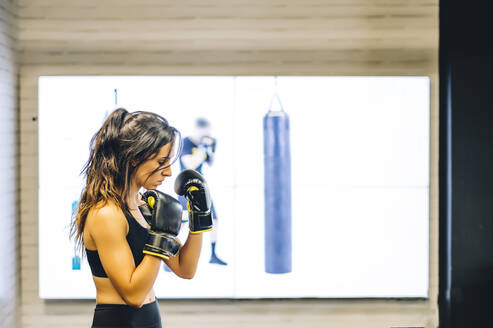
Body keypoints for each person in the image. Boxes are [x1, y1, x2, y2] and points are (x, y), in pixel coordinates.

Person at [70, 108, 213, 328]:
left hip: (149, 319)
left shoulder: (143, 206)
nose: (168, 173)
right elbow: (133, 295)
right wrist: (160, 233)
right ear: (134, 158)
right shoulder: (106, 214)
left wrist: (199, 218)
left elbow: (185, 269)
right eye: (160, 162)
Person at [178, 118, 227, 265]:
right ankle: (170, 255)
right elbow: (190, 164)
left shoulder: (209, 142)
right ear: (196, 130)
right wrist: (203, 148)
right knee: (181, 223)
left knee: (214, 219)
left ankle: (213, 254)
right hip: (186, 187)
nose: (206, 135)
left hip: (201, 187)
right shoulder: (186, 143)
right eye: (204, 132)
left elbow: (210, 163)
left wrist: (209, 149)